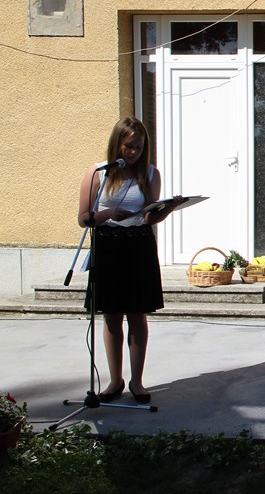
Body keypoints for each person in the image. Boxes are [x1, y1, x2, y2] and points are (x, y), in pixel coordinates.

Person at [78, 117, 182, 404]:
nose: (134, 152)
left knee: (137, 315)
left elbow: (149, 217)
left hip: (138, 245)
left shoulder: (150, 174)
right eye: (129, 146)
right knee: (112, 315)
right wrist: (108, 214)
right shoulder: (98, 173)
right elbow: (83, 218)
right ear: (117, 144)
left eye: (139, 146)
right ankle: (115, 381)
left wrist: (168, 209)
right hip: (108, 246)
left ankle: (137, 381)